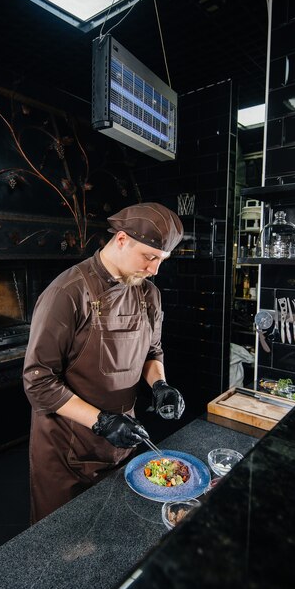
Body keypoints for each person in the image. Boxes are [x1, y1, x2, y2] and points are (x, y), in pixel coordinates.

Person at [23, 202, 185, 523]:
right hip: (68, 448)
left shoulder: (149, 293)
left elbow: (152, 352)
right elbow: (38, 381)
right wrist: (101, 421)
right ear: (121, 239)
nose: (154, 270)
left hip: (122, 442)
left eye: (161, 261)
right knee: (64, 546)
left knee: (113, 536)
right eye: (149, 257)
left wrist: (160, 384)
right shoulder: (67, 292)